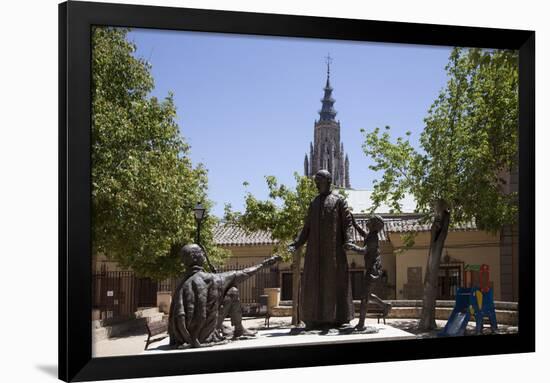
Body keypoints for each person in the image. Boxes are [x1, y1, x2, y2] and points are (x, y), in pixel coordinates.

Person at [168, 244, 281, 348]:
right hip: (202, 335)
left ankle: (238, 328)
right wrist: (262, 265)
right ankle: (239, 329)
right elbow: (243, 274)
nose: (204, 255)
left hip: (181, 337)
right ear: (196, 257)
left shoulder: (182, 284)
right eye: (202, 253)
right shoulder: (208, 279)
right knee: (233, 291)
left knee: (229, 291)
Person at [288, 169, 361, 329]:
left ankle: (341, 318)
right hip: (315, 252)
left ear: (327, 181)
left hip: (333, 251)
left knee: (335, 282)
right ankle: (314, 319)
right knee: (314, 283)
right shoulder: (314, 203)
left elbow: (347, 223)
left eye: (318, 183)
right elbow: (306, 227)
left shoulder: (339, 201)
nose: (316, 186)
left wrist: (349, 239)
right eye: (315, 183)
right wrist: (297, 243)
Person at [351, 214, 391, 330]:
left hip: (372, 270)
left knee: (364, 297)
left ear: (374, 225)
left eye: (370, 220)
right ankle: (385, 305)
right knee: (366, 295)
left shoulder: (373, 238)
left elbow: (364, 251)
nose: (367, 221)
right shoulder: (371, 235)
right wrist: (353, 221)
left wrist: (351, 247)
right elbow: (362, 232)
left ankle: (361, 324)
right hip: (371, 269)